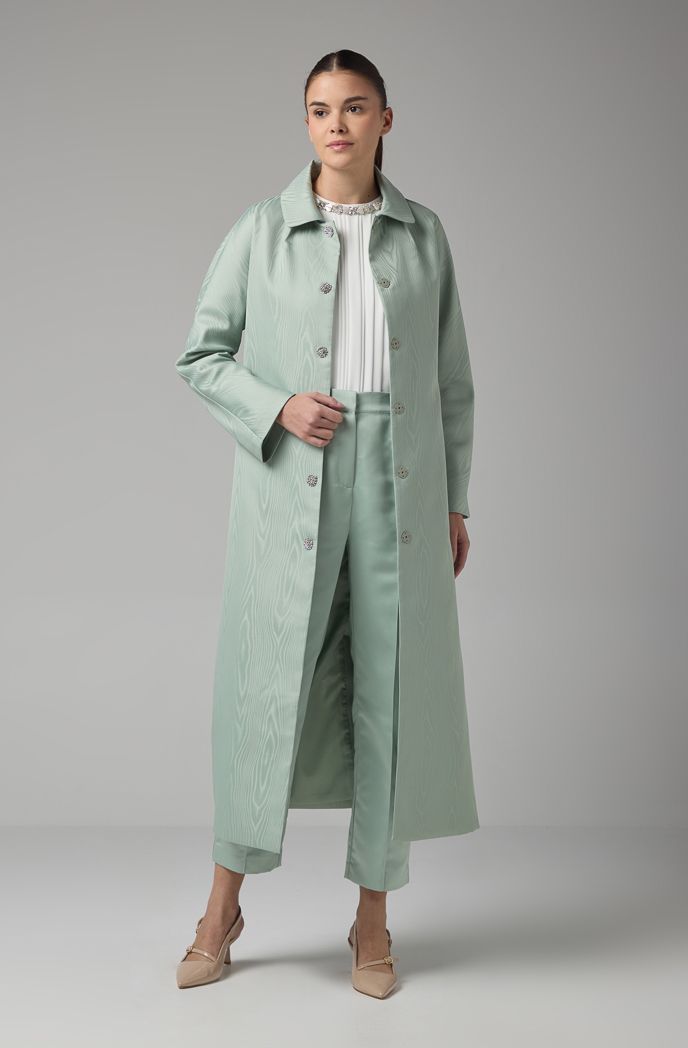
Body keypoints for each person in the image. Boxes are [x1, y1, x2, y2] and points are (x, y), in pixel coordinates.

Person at [174, 49, 478, 999]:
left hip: (401, 480)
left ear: (387, 118)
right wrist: (278, 405)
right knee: (265, 690)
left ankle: (373, 923)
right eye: (318, 109)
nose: (336, 124)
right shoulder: (260, 230)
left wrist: (455, 499)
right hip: (295, 471)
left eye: (354, 107)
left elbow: (451, 381)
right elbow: (202, 355)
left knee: (391, 689)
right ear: (304, 122)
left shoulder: (423, 236)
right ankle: (220, 913)